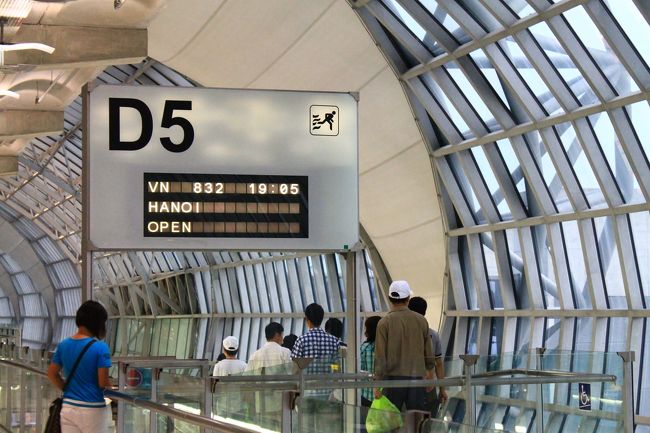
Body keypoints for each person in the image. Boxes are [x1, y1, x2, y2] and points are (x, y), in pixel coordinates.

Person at [47, 300, 112, 433]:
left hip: (68, 407)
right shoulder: (100, 348)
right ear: (97, 323)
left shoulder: (64, 344)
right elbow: (103, 383)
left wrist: (66, 388)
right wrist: (115, 391)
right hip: (92, 409)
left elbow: (52, 373)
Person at [374, 280, 435, 412]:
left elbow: (380, 356)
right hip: (417, 378)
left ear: (390, 299)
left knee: (391, 418)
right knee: (417, 417)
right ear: (408, 299)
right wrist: (430, 372)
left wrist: (378, 383)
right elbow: (429, 352)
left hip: (392, 380)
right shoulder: (421, 320)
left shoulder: (384, 323)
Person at [291, 303, 342, 432]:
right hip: (327, 393)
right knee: (324, 428)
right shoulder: (334, 341)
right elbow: (337, 368)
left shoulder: (301, 341)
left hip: (306, 392)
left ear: (307, 320)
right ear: (321, 319)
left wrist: (295, 391)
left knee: (305, 427)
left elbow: (295, 368)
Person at [246, 322, 293, 430]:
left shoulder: (255, 355)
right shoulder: (285, 352)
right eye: (282, 334)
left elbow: (247, 379)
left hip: (261, 404)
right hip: (281, 403)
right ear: (277, 335)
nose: (282, 338)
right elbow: (291, 375)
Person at [408, 296, 448, 416]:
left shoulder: (403, 334)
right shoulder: (433, 335)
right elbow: (439, 364)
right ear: (425, 312)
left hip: (406, 386)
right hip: (428, 386)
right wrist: (442, 389)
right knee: (428, 420)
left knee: (407, 420)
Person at [212, 336, 247, 420]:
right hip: (239, 407)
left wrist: (214, 407)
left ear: (224, 350)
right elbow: (246, 388)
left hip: (222, 407)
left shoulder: (218, 366)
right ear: (237, 349)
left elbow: (215, 388)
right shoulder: (244, 365)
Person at [360, 316, 382, 407]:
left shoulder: (364, 348)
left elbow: (359, 370)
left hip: (366, 394)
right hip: (383, 395)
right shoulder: (388, 348)